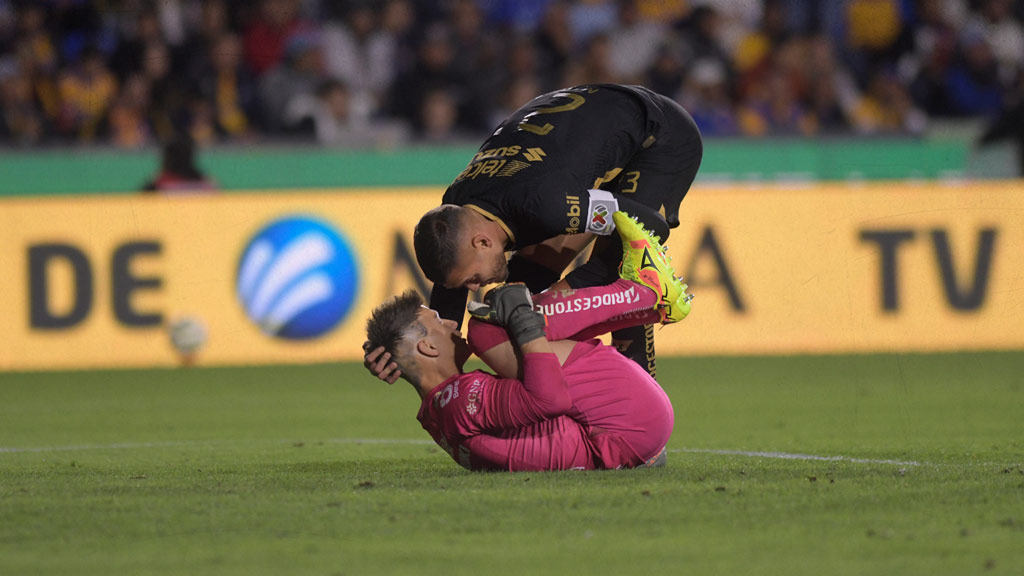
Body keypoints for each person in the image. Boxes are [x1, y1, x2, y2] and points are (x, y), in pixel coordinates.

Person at [367, 83, 703, 382]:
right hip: (578, 139)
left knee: (617, 266)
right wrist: (404, 352)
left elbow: (648, 229)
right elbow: (448, 313)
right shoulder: (459, 214)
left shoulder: (546, 205)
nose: (474, 289)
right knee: (520, 294)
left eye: (471, 279)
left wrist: (550, 304)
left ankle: (638, 416)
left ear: (482, 241)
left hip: (657, 135)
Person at [364, 212, 687, 471]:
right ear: (428, 347)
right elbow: (549, 400)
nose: (451, 321)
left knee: (500, 327)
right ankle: (644, 294)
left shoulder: (437, 411)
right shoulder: (462, 399)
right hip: (628, 426)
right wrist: (524, 322)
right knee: (486, 328)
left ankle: (649, 304)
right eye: (437, 322)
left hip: (626, 439)